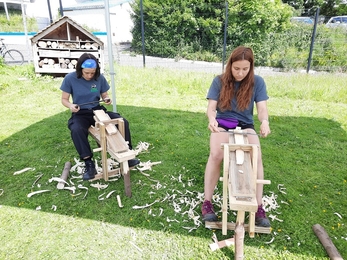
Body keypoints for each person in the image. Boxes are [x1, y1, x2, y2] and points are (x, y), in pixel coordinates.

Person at [202, 46, 271, 227]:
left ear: (251, 67)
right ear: (230, 65)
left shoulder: (258, 82)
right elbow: (211, 108)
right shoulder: (219, 81)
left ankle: (258, 206)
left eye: (245, 69)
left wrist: (265, 122)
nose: (240, 73)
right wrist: (212, 119)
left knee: (256, 156)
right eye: (236, 68)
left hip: (246, 125)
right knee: (217, 154)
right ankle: (207, 203)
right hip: (223, 123)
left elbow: (262, 109)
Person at [60, 53, 139, 181]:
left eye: (92, 73)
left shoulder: (99, 78)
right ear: (80, 69)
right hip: (80, 112)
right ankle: (89, 163)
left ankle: (127, 156)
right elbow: (64, 99)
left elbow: (104, 94)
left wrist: (106, 99)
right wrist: (71, 105)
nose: (90, 75)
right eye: (87, 73)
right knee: (77, 129)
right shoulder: (70, 78)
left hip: (98, 110)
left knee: (122, 121)